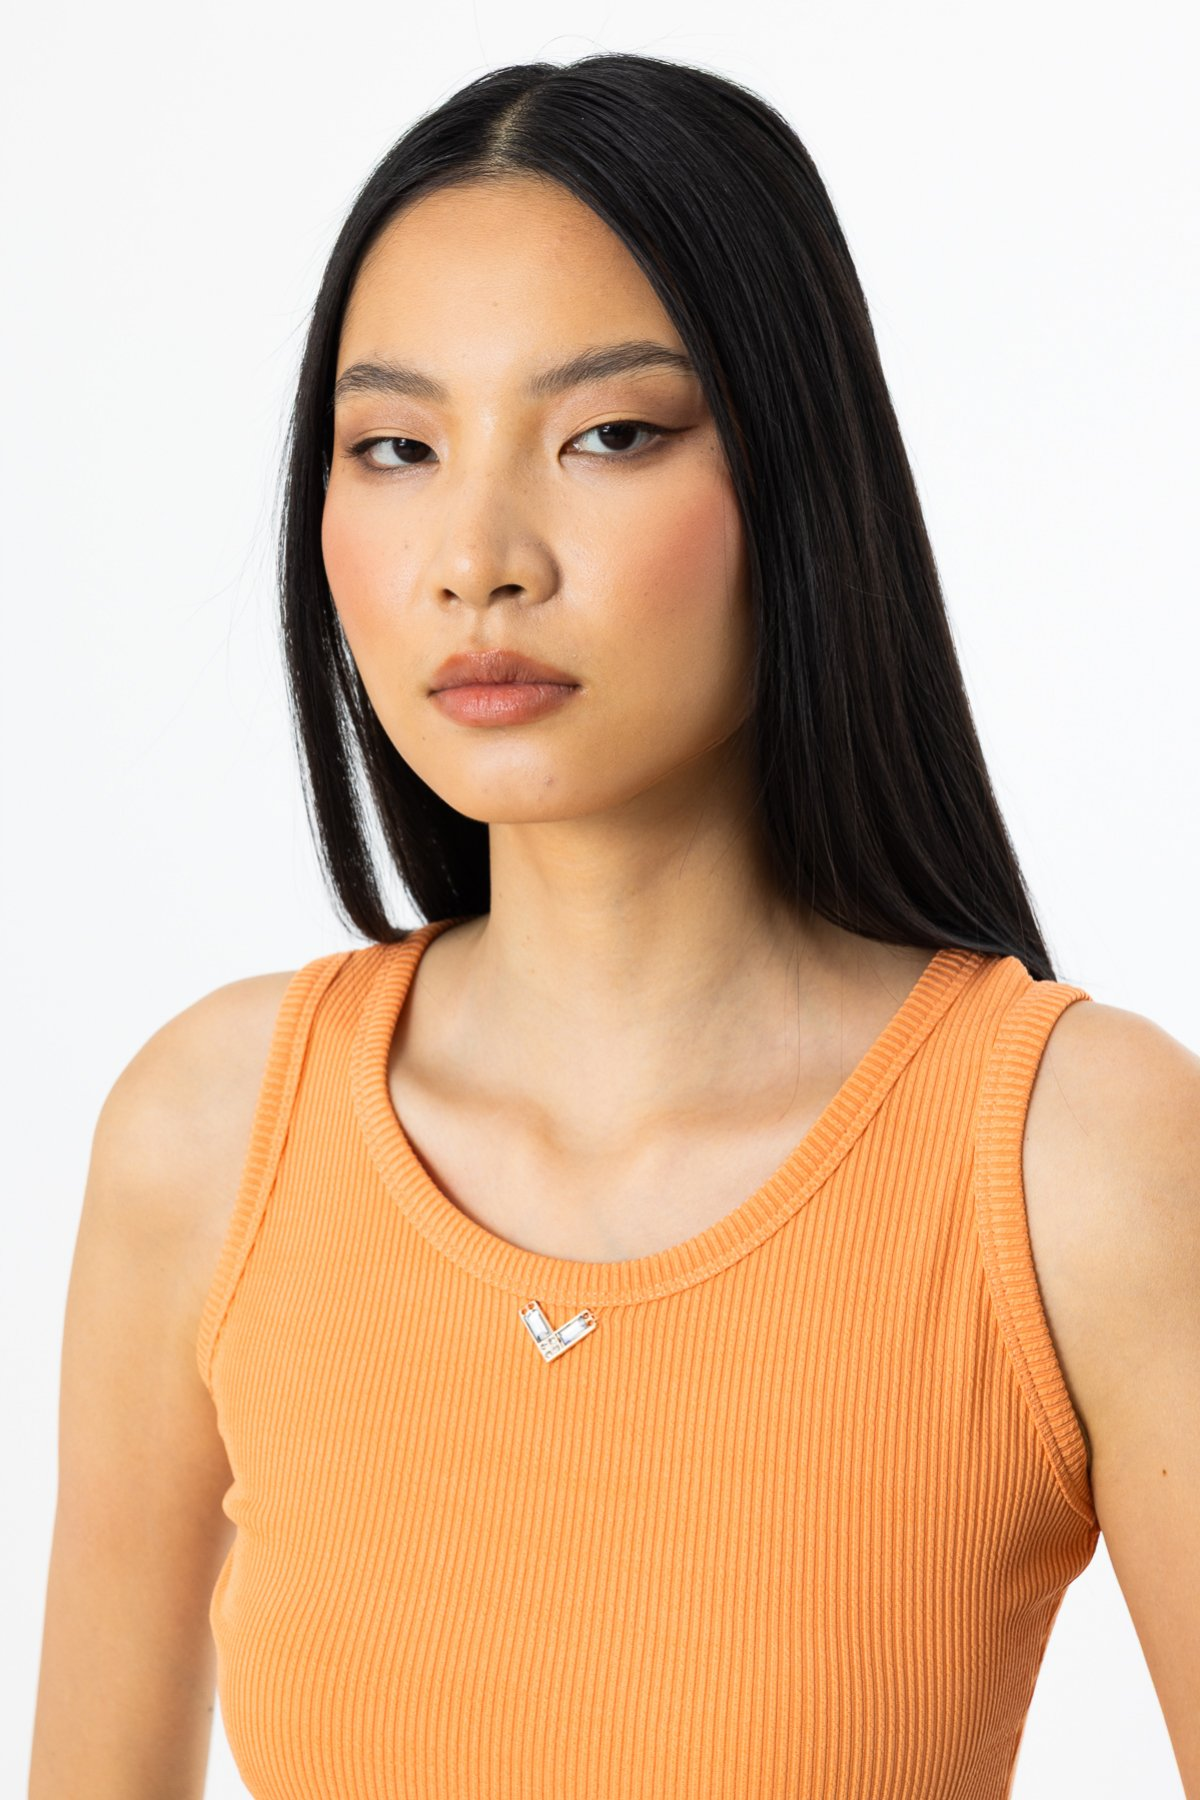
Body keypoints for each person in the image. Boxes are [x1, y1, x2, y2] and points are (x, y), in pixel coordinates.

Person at [29, 51, 1199, 1800]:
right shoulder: (206, 1134)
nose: (478, 557)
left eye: (608, 436)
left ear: (798, 476)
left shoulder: (1075, 1157)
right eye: (396, 447)